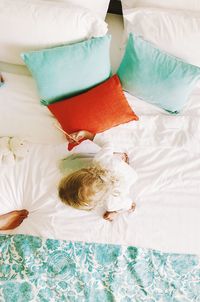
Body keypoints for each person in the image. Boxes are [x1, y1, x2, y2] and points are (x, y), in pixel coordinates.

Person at [58, 130, 137, 221]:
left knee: (113, 208)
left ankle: (116, 212)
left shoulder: (112, 201)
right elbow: (107, 143)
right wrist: (86, 134)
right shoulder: (101, 160)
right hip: (121, 169)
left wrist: (124, 208)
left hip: (127, 178)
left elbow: (126, 203)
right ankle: (118, 157)